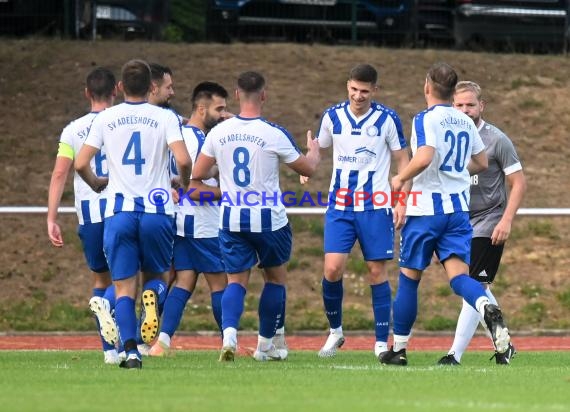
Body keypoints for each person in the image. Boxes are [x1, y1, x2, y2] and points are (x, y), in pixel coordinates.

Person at [380, 62, 511, 366]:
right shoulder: (465, 121)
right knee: (458, 277)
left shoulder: (425, 118)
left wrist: (400, 179)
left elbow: (424, 157)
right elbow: (480, 161)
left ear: (427, 86)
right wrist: (454, 171)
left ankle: (398, 350)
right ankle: (484, 304)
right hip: (458, 212)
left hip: (426, 210)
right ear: (453, 92)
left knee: (410, 278)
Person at [191, 71, 320, 362]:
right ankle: (264, 347)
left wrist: (222, 178)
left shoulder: (218, 132)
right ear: (263, 95)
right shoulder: (273, 132)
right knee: (275, 280)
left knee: (236, 281)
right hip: (268, 219)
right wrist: (314, 152)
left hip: (232, 218)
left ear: (236, 95)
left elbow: (197, 178)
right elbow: (307, 169)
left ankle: (229, 337)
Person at [75, 59, 192, 369]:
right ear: (152, 87)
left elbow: (80, 163)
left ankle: (129, 352)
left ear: (120, 87)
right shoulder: (165, 117)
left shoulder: (106, 118)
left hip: (120, 212)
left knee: (124, 287)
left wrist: (97, 183)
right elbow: (182, 157)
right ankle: (151, 298)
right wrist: (184, 179)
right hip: (157, 211)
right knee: (157, 278)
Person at [308, 63, 410, 359]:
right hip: (339, 206)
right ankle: (335, 332)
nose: (358, 95)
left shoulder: (387, 119)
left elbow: (403, 160)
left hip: (376, 207)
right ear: (347, 86)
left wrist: (402, 199)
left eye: (364, 91)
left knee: (376, 271)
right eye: (354, 89)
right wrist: (307, 164)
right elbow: (319, 150)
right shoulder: (332, 116)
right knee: (332, 269)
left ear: (374, 90)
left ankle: (380, 341)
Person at [438, 81, 526, 366]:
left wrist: (506, 220)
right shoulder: (445, 137)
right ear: (452, 106)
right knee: (478, 288)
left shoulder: (496, 139)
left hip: (489, 221)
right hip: (457, 221)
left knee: (474, 283)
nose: (465, 110)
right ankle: (505, 345)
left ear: (481, 106)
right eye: (459, 105)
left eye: (470, 105)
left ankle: (455, 355)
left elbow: (518, 182)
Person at [149, 81, 230, 357]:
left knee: (184, 281)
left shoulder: (177, 133)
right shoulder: (198, 141)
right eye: (219, 109)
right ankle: (228, 344)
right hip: (204, 225)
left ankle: (162, 343)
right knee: (221, 285)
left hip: (181, 224)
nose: (222, 114)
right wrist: (225, 193)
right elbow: (193, 189)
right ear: (201, 108)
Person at [47, 67, 119, 365]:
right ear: (116, 89)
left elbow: (60, 172)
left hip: (89, 216)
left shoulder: (71, 130)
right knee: (129, 277)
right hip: (119, 211)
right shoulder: (120, 123)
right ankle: (129, 343)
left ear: (87, 92)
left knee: (101, 280)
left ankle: (110, 352)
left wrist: (51, 218)